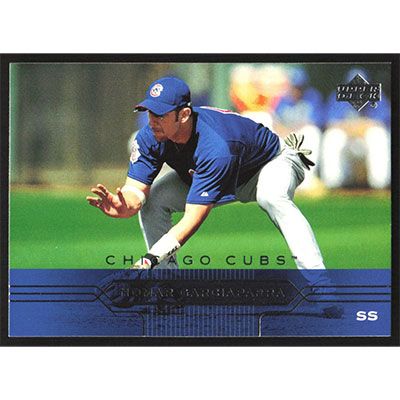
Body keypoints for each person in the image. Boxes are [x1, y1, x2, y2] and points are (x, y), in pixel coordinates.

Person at [86, 76, 327, 278]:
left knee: (272, 197)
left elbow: (193, 218)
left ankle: (320, 285)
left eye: (160, 114)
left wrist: (149, 260)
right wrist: (127, 204)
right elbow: (136, 190)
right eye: (149, 112)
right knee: (155, 199)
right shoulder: (150, 136)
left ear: (184, 115)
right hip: (217, 172)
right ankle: (167, 287)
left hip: (270, 163)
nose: (152, 121)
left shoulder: (215, 146)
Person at [321, 68, 391, 189]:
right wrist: (360, 127)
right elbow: (330, 124)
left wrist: (352, 127)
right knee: (332, 136)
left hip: (366, 142)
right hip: (348, 143)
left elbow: (382, 124)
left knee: (378, 135)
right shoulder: (337, 97)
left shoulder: (378, 97)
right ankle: (334, 184)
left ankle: (380, 185)